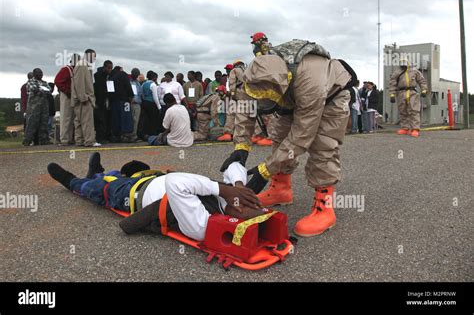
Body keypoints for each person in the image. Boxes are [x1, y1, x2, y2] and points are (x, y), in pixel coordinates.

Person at [222, 38, 354, 237]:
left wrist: (264, 170)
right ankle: (281, 189)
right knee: (279, 136)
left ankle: (324, 208)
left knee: (322, 145)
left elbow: (302, 135)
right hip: (290, 98)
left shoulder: (310, 83)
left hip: (330, 97)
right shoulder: (255, 75)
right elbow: (244, 106)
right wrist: (241, 146)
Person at [47, 153, 262, 242]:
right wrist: (239, 186)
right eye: (249, 200)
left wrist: (226, 190)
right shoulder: (233, 199)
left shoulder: (201, 224)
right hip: (147, 180)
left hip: (130, 196)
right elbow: (235, 166)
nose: (245, 200)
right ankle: (99, 172)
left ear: (239, 215)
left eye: (245, 204)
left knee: (96, 188)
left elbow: (176, 183)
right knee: (119, 174)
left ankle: (72, 181)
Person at [389, 56, 428, 137]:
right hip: (401, 92)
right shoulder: (397, 73)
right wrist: (392, 94)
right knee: (402, 110)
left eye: (404, 63)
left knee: (414, 110)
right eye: (401, 63)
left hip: (412, 92)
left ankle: (415, 129)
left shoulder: (414, 71)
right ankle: (405, 128)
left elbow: (422, 81)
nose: (403, 65)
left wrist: (424, 90)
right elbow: (392, 83)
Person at [71, 49, 101, 147]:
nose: (95, 58)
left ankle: (79, 140)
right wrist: (83, 97)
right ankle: (89, 141)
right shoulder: (82, 65)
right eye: (94, 56)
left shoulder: (84, 66)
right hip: (84, 98)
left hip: (81, 98)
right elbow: (79, 83)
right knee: (87, 121)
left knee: (79, 121)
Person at [23, 68, 52, 146]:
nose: (41, 75)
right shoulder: (31, 81)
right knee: (31, 123)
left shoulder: (44, 82)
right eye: (39, 73)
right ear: (35, 74)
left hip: (44, 106)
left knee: (44, 122)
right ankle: (27, 141)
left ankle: (44, 140)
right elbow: (33, 89)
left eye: (41, 73)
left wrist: (41, 90)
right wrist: (41, 90)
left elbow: (49, 89)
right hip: (33, 107)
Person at [54, 54, 79, 145]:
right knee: (65, 117)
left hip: (73, 95)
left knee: (72, 117)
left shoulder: (75, 70)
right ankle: (64, 139)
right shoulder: (66, 69)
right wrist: (66, 91)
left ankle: (69, 138)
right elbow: (57, 81)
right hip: (66, 96)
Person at [109, 66, 134, 143]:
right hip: (124, 100)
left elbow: (109, 90)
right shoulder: (123, 74)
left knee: (116, 118)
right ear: (120, 70)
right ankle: (126, 136)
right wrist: (131, 96)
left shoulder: (111, 77)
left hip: (114, 101)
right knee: (126, 118)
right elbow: (128, 85)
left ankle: (117, 136)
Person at [93, 60, 113, 144]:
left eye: (111, 68)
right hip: (99, 101)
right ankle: (99, 137)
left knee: (105, 119)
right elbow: (97, 90)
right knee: (99, 120)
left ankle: (104, 136)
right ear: (104, 67)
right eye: (109, 68)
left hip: (105, 101)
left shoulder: (108, 77)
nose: (110, 70)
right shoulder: (98, 76)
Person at [217, 64, 237, 142]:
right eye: (227, 70)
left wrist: (230, 93)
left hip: (235, 98)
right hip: (227, 99)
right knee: (230, 116)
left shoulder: (236, 77)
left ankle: (229, 133)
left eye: (229, 70)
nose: (227, 71)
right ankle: (229, 134)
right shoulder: (225, 79)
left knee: (232, 115)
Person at [141, 71, 162, 137]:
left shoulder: (143, 84)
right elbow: (155, 97)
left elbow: (142, 94)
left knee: (146, 119)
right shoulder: (153, 85)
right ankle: (152, 133)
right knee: (153, 119)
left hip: (144, 103)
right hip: (151, 103)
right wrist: (159, 107)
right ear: (154, 78)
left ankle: (145, 133)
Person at [130, 68, 143, 142]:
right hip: (131, 103)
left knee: (136, 120)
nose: (136, 76)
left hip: (137, 103)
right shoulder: (129, 82)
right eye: (135, 74)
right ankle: (131, 136)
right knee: (132, 120)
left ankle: (134, 135)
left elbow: (140, 93)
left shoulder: (138, 83)